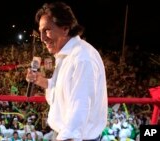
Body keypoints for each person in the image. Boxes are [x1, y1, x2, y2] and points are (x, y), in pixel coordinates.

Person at [26, 1, 108, 141]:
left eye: (47, 30)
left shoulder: (82, 58)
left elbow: (79, 110)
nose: (42, 38)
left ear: (65, 28)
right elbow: (65, 92)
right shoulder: (66, 55)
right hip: (63, 134)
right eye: (40, 32)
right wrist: (43, 81)